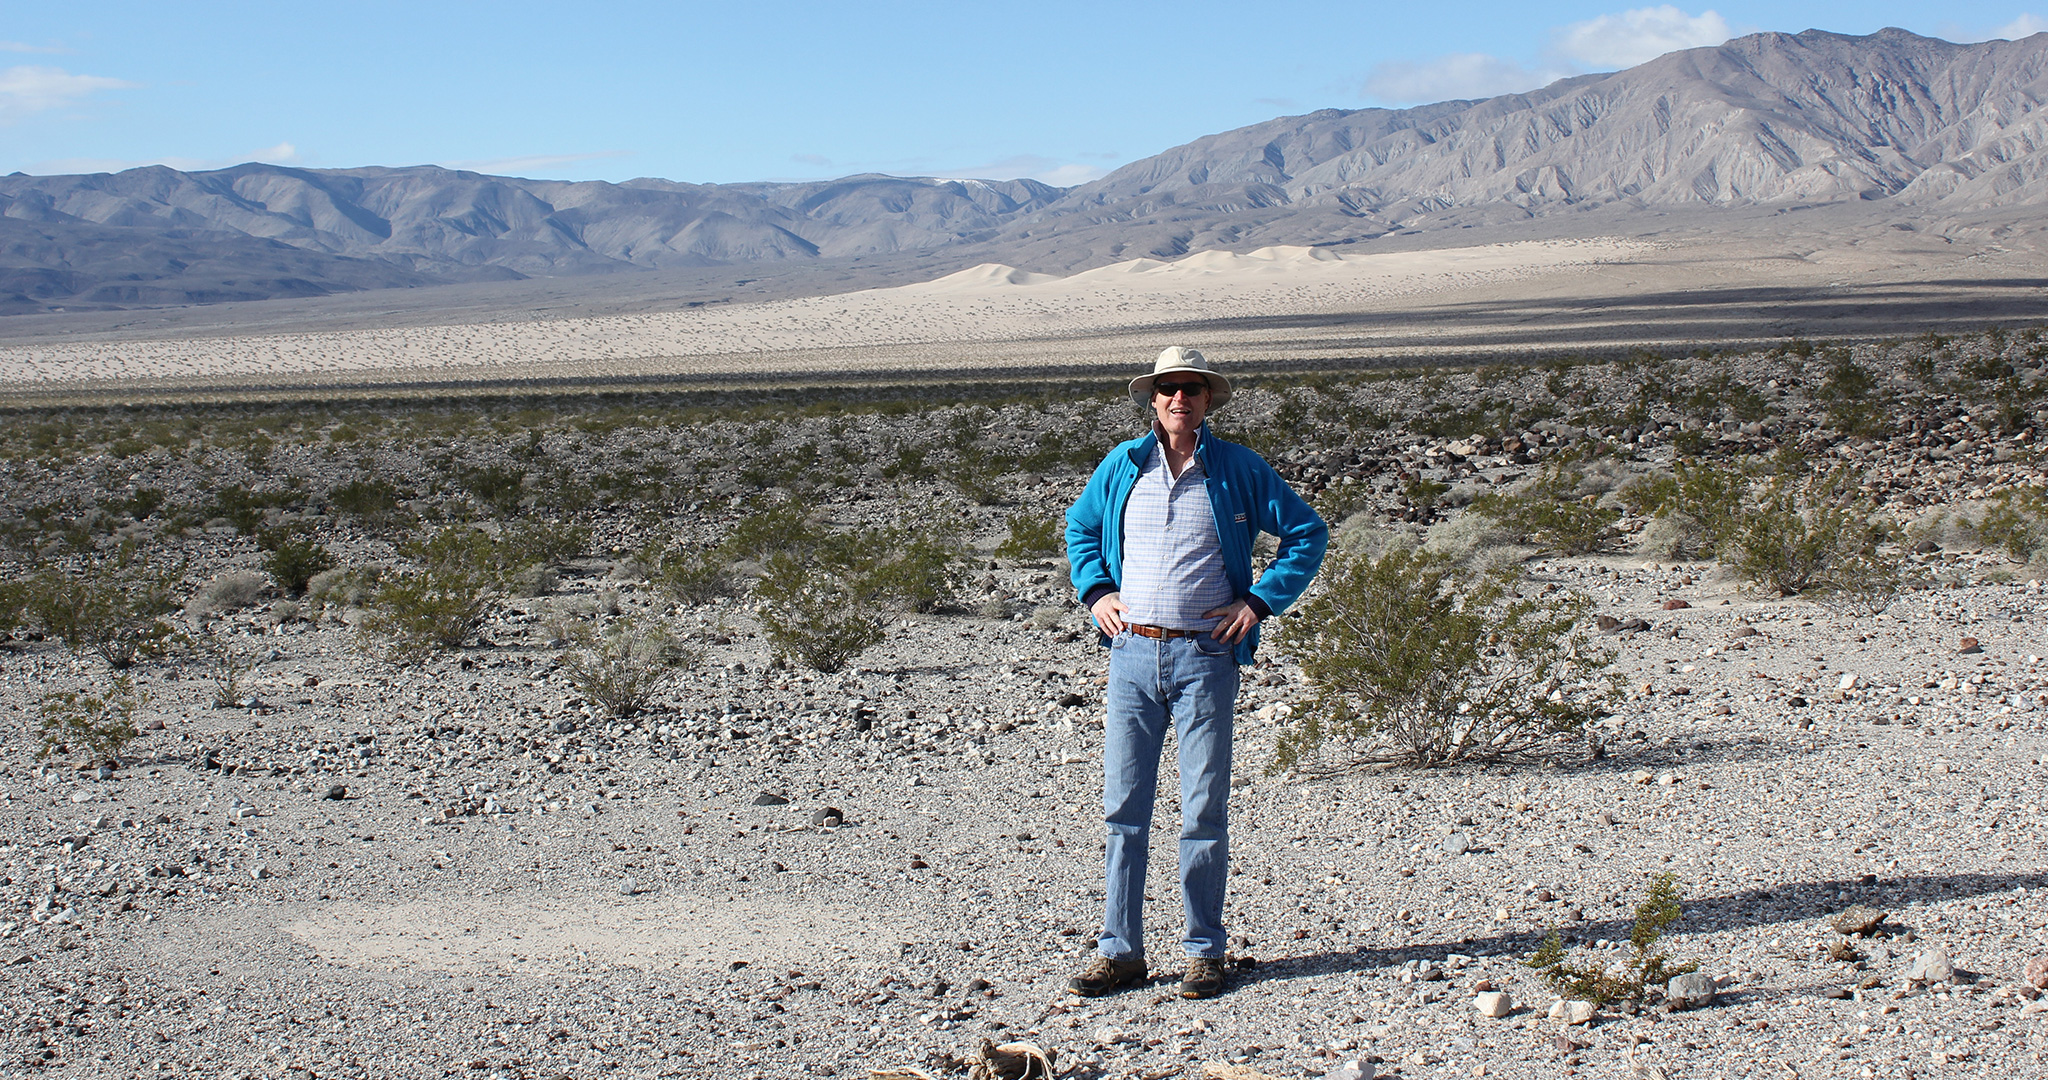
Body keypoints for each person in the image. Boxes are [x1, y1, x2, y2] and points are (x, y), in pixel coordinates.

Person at [1063, 346, 1328, 999]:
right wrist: (1096, 593)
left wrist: (1261, 600)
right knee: (1124, 809)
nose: (1180, 398)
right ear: (1151, 399)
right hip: (1131, 654)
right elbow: (1081, 528)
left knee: (1203, 808)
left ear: (1209, 400)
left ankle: (1204, 951)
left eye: (1192, 388)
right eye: (1168, 388)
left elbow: (1307, 533)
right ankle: (1120, 952)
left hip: (1206, 656)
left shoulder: (1237, 468)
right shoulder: (1123, 466)